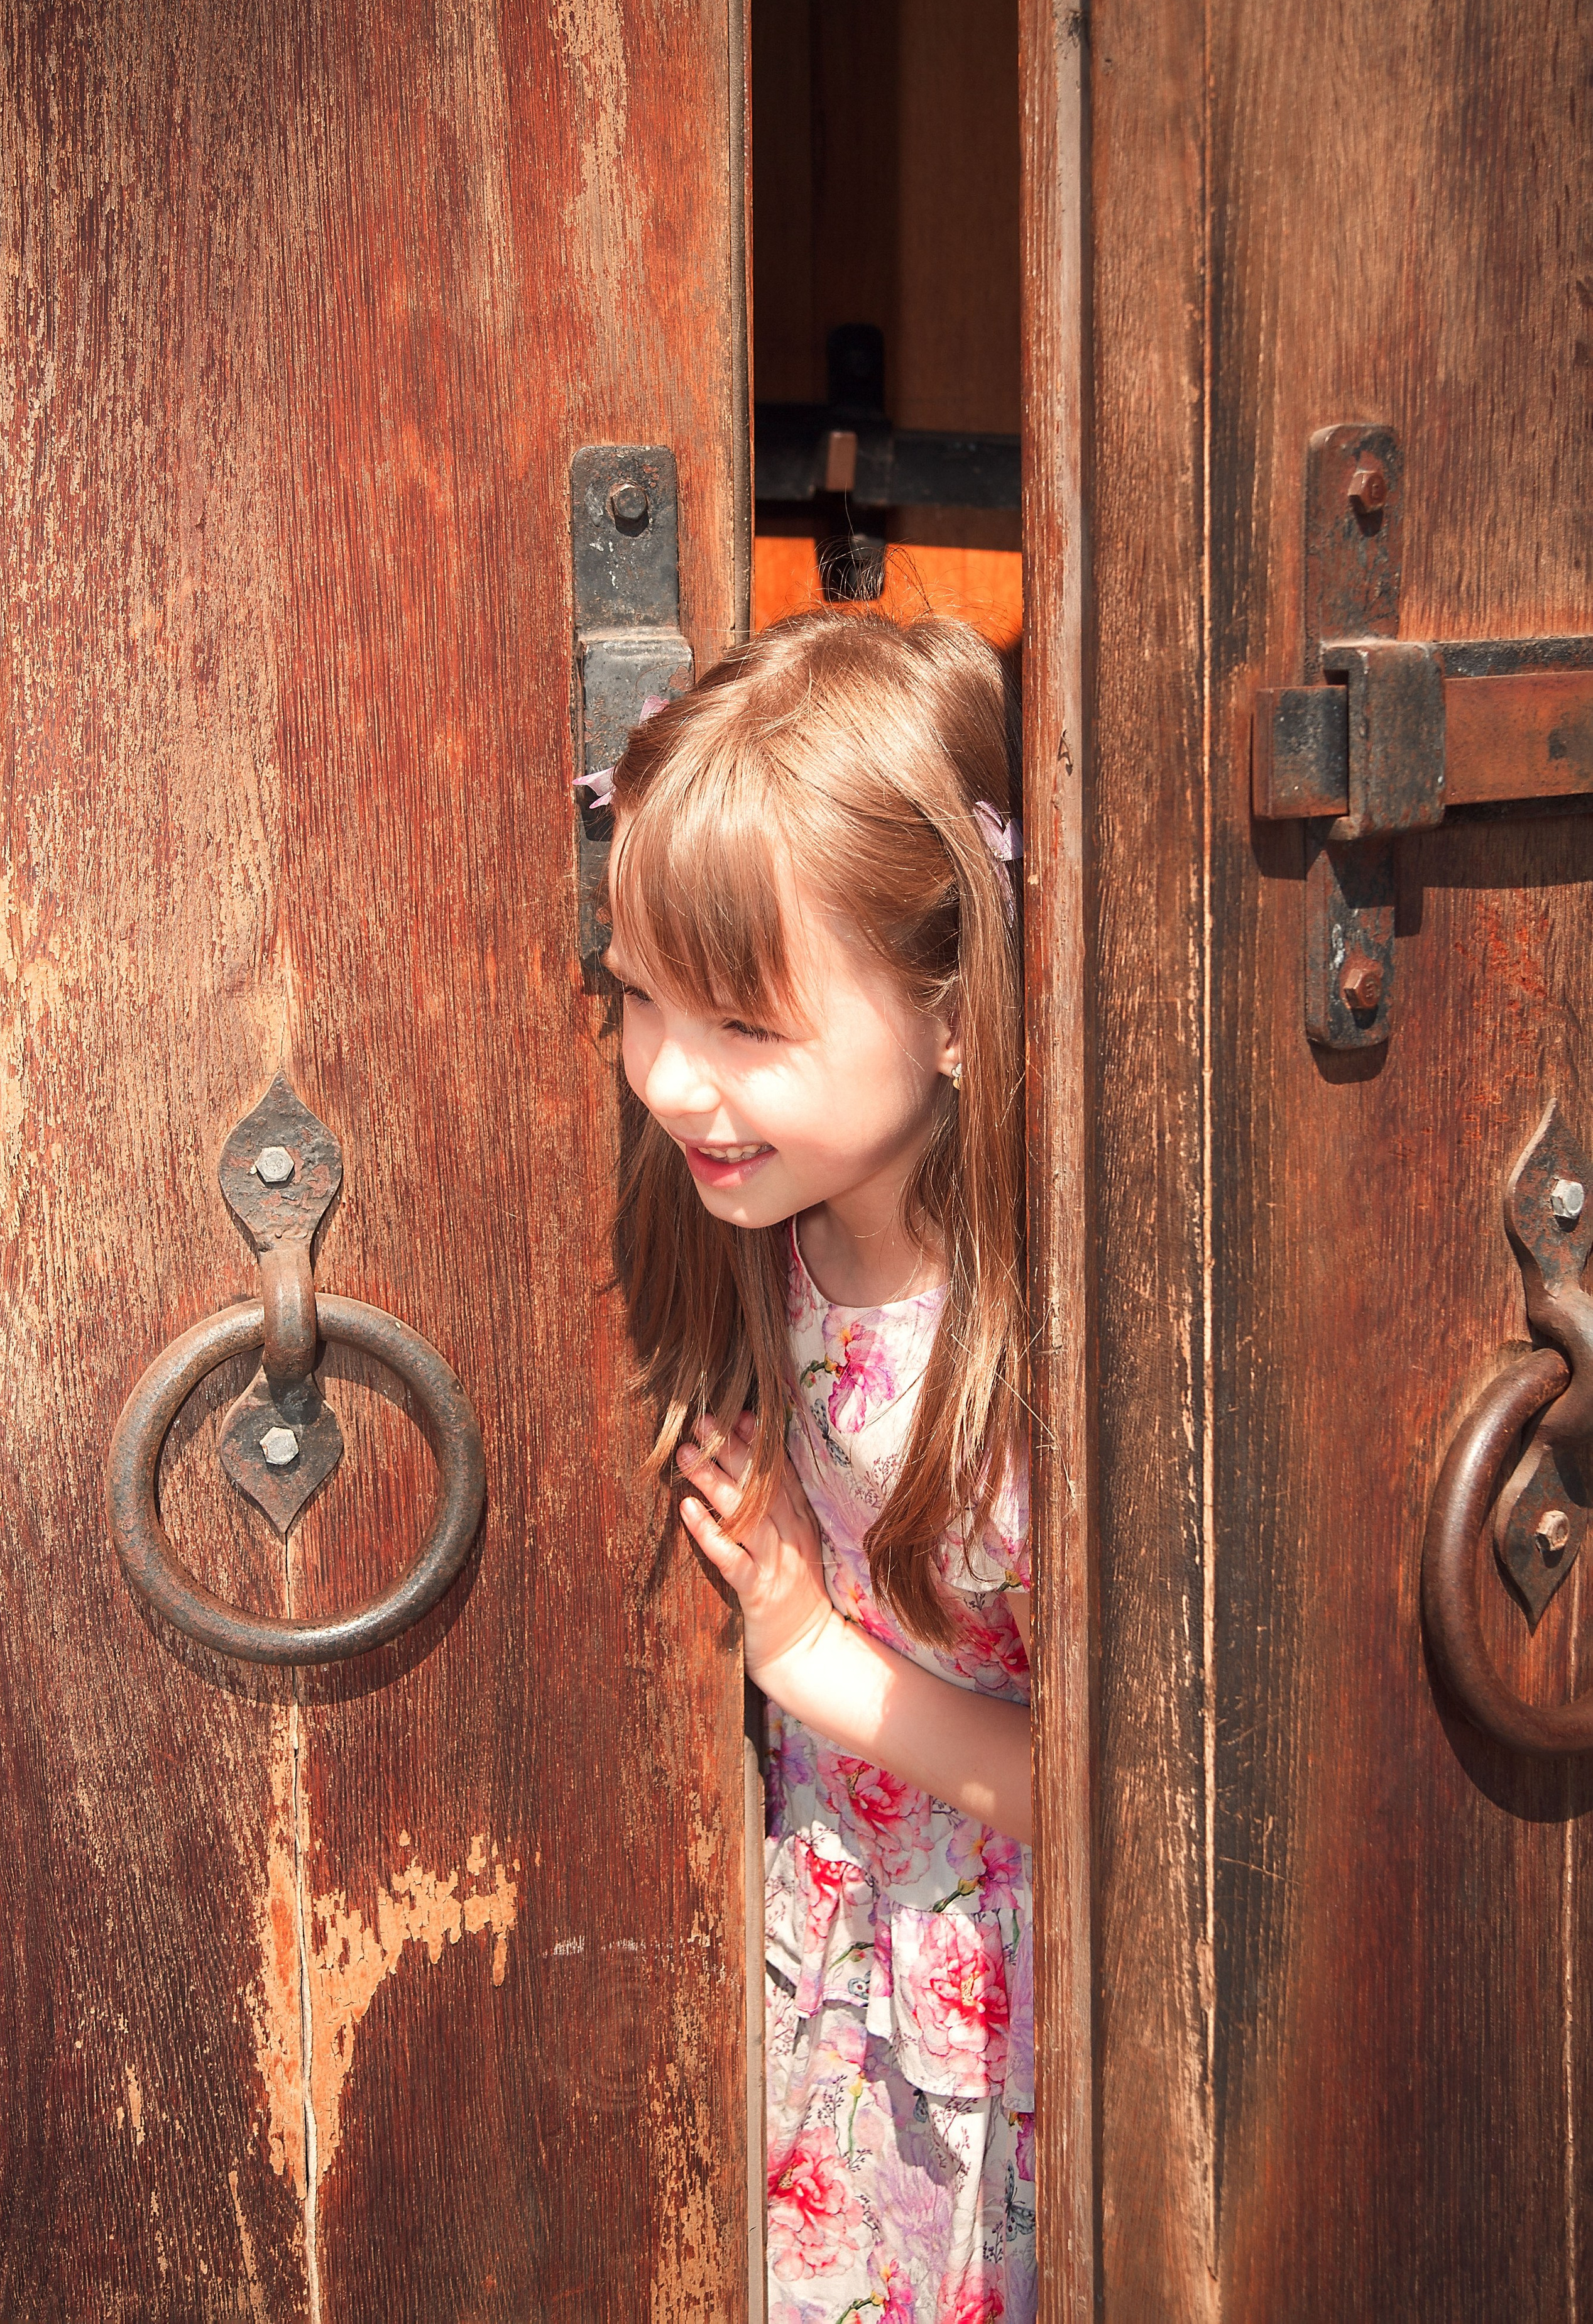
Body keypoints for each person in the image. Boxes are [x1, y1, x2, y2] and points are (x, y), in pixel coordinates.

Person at [596, 606, 1034, 2323]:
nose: (674, 1081)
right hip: (824, 1977)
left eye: (745, 1026)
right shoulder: (764, 1226)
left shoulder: (1035, 1355)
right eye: (639, 1000)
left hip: (994, 2021)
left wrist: (809, 1661)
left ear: (950, 1009)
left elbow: (1126, 1801)